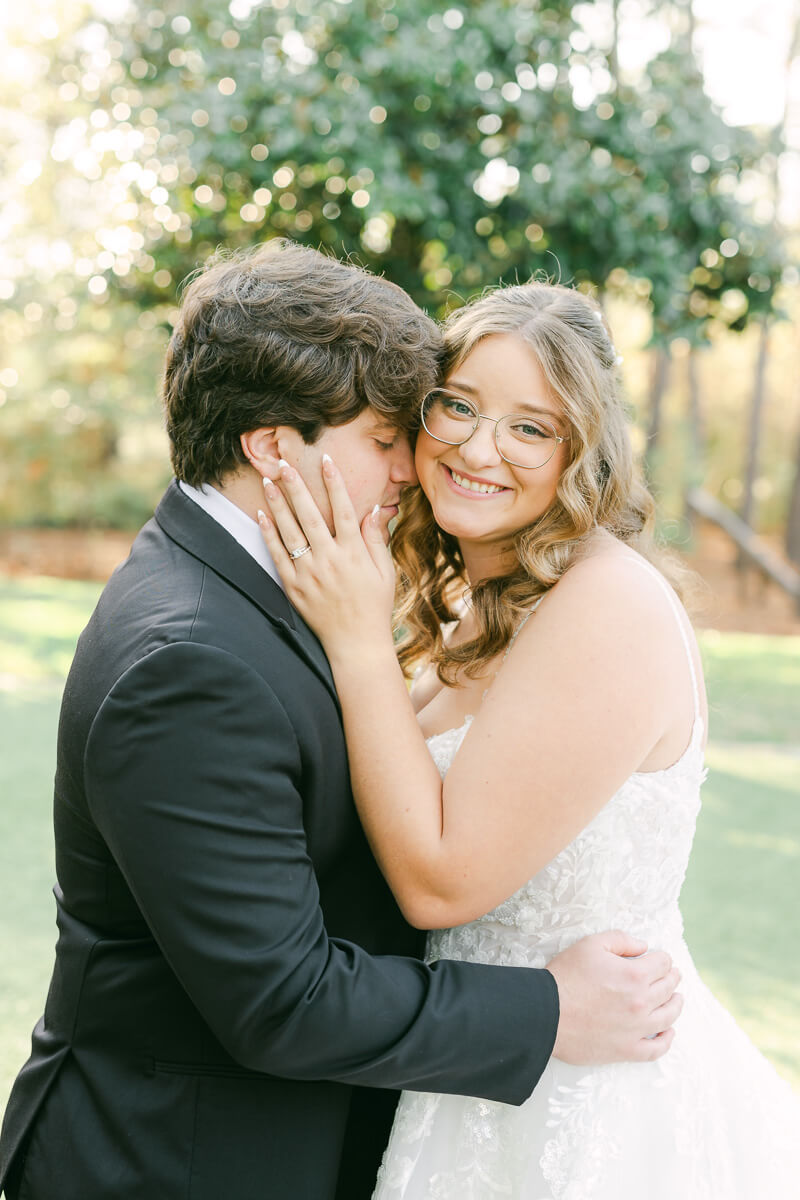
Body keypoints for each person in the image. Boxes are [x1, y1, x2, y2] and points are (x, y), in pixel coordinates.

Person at [0, 244, 682, 1200]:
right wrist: (548, 1008)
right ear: (275, 447)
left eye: (531, 427)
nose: (417, 465)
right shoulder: (192, 657)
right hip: (176, 1162)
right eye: (384, 436)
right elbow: (285, 999)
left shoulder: (279, 591)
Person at [258, 278, 800, 1198]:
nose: (478, 448)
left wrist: (355, 639)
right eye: (458, 407)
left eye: (530, 427)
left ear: (581, 454)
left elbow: (441, 881)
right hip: (478, 1078)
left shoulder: (605, 605)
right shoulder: (487, 605)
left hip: (588, 1107)